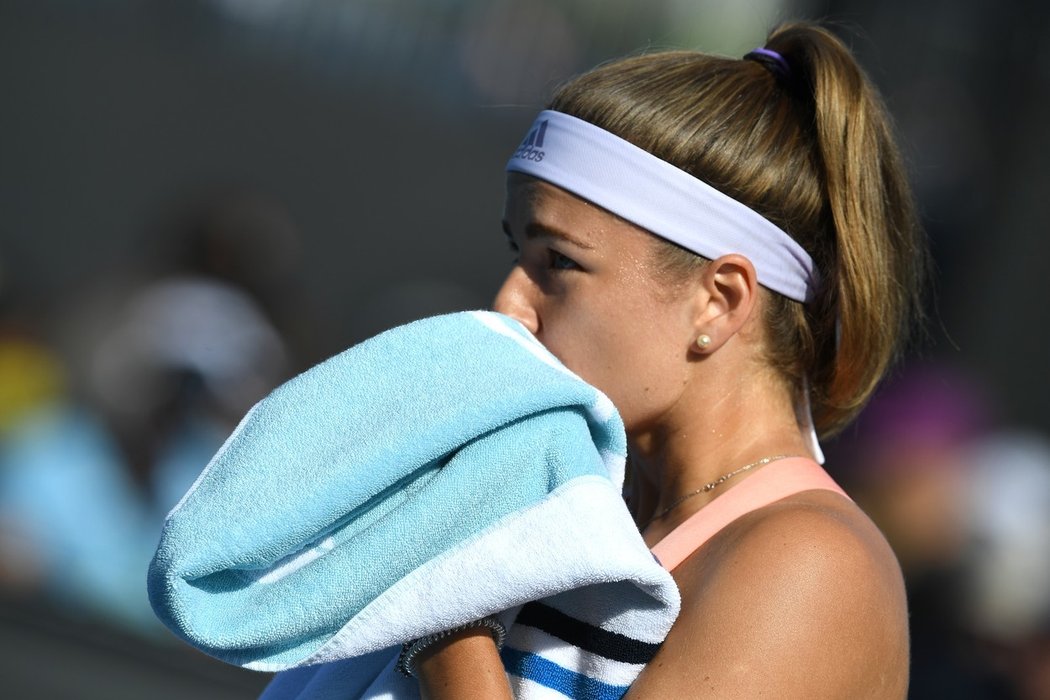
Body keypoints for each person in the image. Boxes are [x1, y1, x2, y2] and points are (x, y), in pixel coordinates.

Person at [403, 20, 926, 699]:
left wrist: (448, 610)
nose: (509, 306)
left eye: (558, 261)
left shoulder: (813, 565)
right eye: (518, 253)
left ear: (717, 300)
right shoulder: (583, 502)